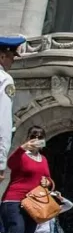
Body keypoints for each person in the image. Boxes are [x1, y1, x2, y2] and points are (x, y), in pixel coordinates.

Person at [2, 125, 53, 233]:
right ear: (28, 138)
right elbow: (10, 163)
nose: (36, 139)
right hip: (15, 200)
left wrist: (47, 182)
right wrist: (22, 148)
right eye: (33, 136)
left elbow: (48, 178)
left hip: (33, 204)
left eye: (40, 137)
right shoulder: (22, 155)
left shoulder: (43, 159)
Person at [0, 35, 25, 183]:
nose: (12, 62)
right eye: (12, 58)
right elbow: (3, 122)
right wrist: (1, 163)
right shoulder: (4, 79)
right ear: (3, 56)